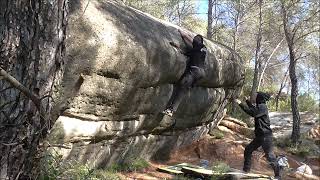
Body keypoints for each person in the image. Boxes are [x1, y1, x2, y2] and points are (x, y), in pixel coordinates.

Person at [235, 92, 281, 179]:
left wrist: (240, 103)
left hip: (266, 136)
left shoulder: (263, 107)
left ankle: (278, 176)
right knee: (248, 150)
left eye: (256, 96)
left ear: (259, 98)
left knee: (270, 156)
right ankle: (246, 170)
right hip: (260, 136)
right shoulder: (260, 107)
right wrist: (247, 101)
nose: (255, 98)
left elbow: (252, 113)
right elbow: (254, 109)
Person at [163, 29, 207, 117]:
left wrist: (183, 33)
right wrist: (176, 46)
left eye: (197, 38)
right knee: (185, 87)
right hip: (201, 74)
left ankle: (171, 110)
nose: (195, 39)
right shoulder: (197, 50)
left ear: (200, 41)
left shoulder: (202, 45)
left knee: (183, 86)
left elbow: (190, 40)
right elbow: (185, 51)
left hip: (195, 71)